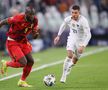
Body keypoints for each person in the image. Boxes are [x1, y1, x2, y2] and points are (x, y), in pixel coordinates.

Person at [0, 7, 40, 87]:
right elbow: (3, 22)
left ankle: (22, 81)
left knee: (31, 61)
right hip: (13, 41)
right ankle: (6, 63)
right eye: (30, 15)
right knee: (23, 63)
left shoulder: (35, 20)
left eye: (33, 15)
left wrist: (35, 35)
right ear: (26, 14)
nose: (32, 17)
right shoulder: (17, 18)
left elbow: (34, 34)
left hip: (23, 41)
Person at [54, 5, 91, 83]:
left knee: (74, 60)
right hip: (72, 38)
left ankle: (70, 66)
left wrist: (83, 45)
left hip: (81, 40)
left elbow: (88, 34)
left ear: (79, 13)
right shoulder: (68, 19)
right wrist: (58, 36)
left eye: (76, 13)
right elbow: (63, 25)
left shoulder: (83, 21)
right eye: (72, 12)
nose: (74, 14)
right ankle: (63, 76)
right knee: (70, 55)